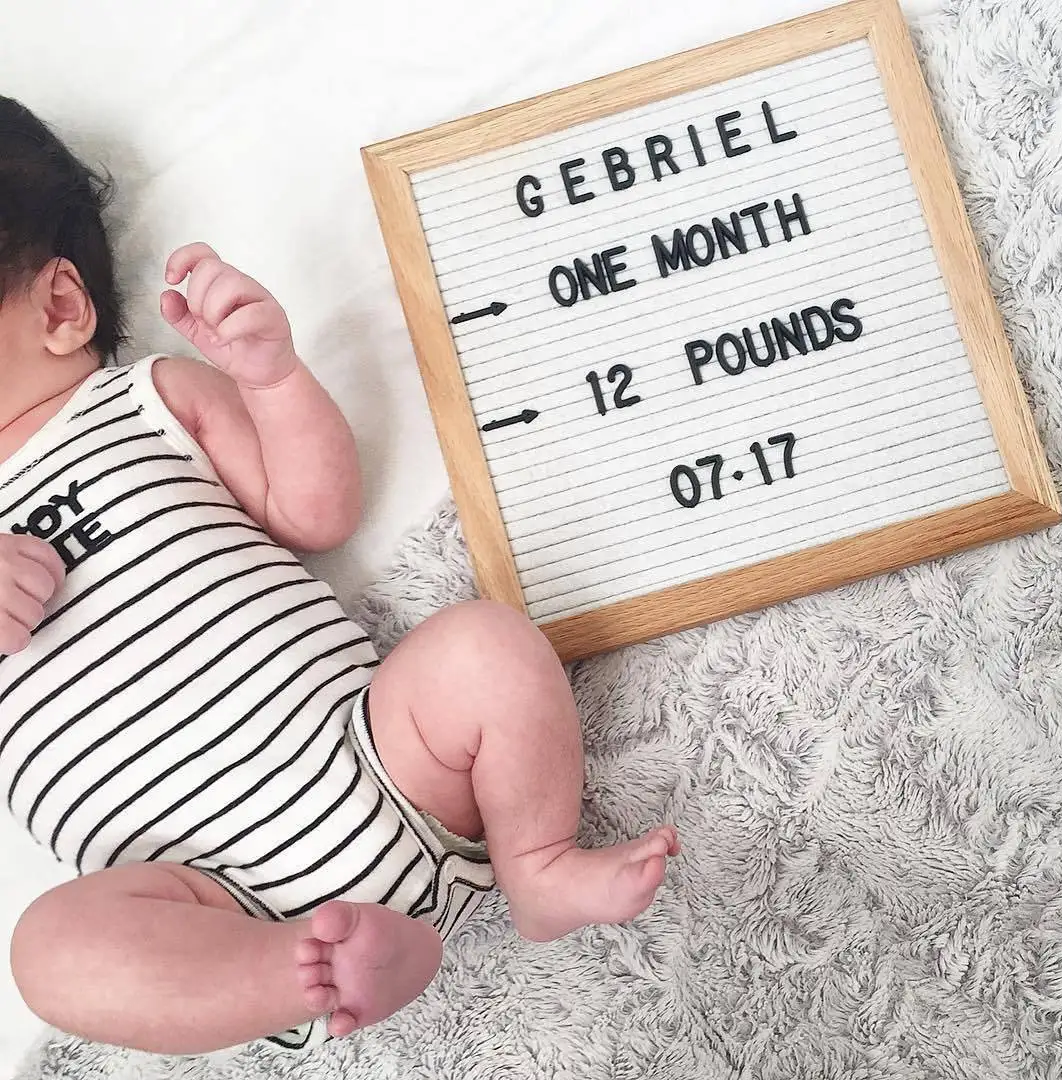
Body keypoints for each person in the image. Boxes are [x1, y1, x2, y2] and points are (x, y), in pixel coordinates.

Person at [0, 95, 679, 1055]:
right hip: (207, 898)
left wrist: (273, 379)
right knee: (48, 954)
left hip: (384, 761)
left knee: (487, 645)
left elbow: (312, 513)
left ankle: (538, 862)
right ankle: (292, 974)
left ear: (62, 310)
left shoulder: (148, 402)